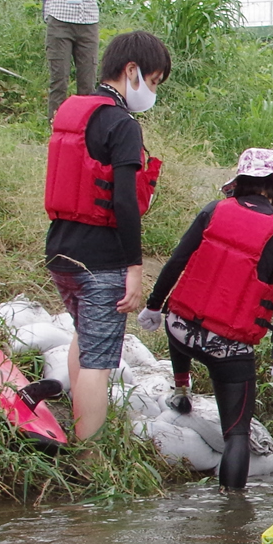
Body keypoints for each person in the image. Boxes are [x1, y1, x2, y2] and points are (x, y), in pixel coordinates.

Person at [146, 148, 273, 490]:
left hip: (180, 329)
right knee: (237, 434)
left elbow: (176, 261)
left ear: (240, 180)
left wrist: (153, 306)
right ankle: (231, 513)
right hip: (227, 347)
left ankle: (181, 385)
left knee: (182, 328)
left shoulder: (213, 209)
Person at [42, 30, 170, 444]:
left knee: (85, 338)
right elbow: (125, 203)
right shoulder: (122, 124)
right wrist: (135, 267)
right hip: (101, 262)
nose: (151, 92)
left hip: (61, 252)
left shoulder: (74, 111)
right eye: (152, 81)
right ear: (131, 71)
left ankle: (79, 436)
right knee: (99, 360)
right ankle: (88, 456)